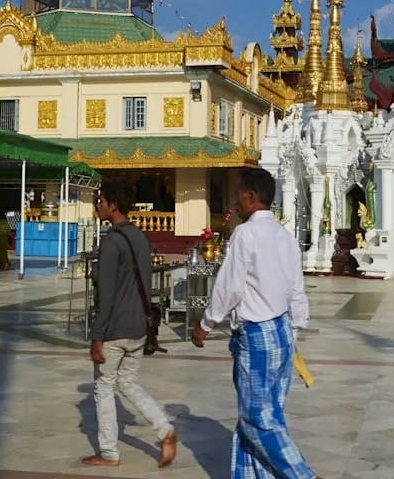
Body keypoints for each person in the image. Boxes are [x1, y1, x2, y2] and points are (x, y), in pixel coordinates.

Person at [191, 167, 317, 479]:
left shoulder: (245, 234)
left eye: (238, 197)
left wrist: (206, 322)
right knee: (268, 414)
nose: (236, 204)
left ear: (250, 197)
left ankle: (303, 475)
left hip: (258, 334)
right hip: (282, 331)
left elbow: (230, 286)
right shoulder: (285, 236)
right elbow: (296, 288)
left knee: (256, 419)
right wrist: (295, 329)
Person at [83, 178, 178, 468]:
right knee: (127, 382)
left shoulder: (112, 242)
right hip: (138, 326)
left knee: (103, 387)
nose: (97, 206)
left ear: (113, 205)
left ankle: (109, 451)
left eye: (100, 201)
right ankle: (164, 429)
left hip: (115, 329)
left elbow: (107, 295)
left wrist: (97, 336)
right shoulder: (140, 237)